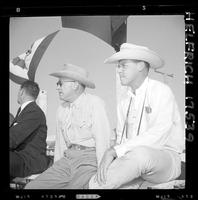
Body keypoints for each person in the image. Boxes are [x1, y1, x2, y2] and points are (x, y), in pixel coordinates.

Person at [89, 43, 185, 189]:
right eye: (118, 66)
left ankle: (95, 187)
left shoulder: (161, 91)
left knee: (140, 155)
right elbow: (121, 139)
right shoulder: (123, 102)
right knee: (111, 172)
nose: (119, 70)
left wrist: (115, 151)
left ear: (140, 66)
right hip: (135, 161)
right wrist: (114, 154)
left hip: (166, 159)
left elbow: (158, 135)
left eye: (123, 65)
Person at [25, 63, 112, 189]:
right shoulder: (61, 109)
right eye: (57, 84)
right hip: (67, 160)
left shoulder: (95, 103)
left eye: (60, 84)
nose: (57, 88)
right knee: (31, 187)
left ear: (75, 84)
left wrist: (102, 168)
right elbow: (60, 145)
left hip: (88, 161)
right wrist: (56, 168)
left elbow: (102, 139)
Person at [10, 80, 49, 180]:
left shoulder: (33, 111)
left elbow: (13, 138)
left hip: (29, 161)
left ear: (22, 92)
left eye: (18, 92)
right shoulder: (24, 110)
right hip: (20, 157)